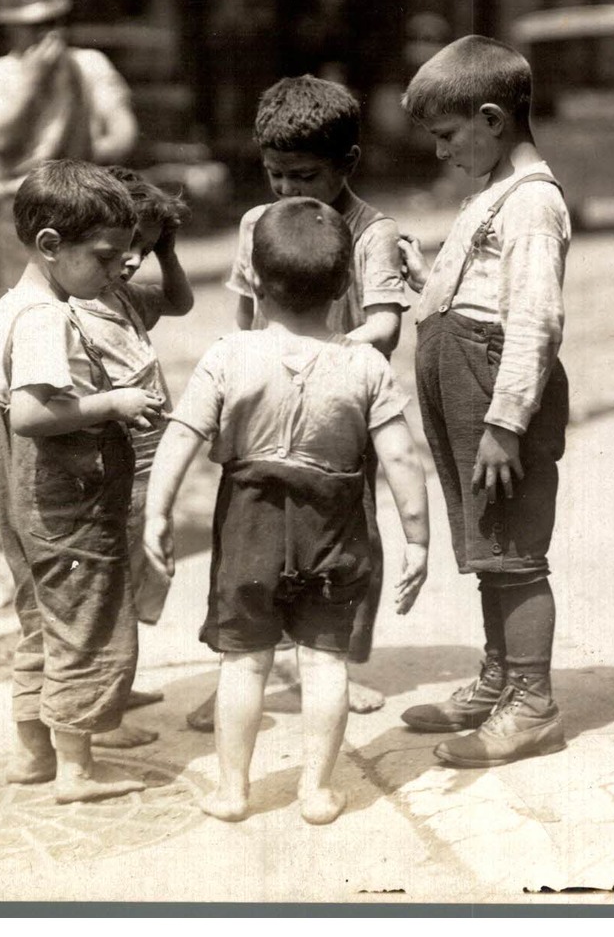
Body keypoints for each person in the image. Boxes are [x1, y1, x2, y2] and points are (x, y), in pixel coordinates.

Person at [143, 197, 430, 825]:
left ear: (253, 281)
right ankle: (316, 791)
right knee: (325, 661)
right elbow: (403, 460)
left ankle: (233, 790)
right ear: (344, 287)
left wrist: (157, 514)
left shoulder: (228, 356)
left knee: (244, 662)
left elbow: (180, 437)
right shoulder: (364, 366)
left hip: (250, 524)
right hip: (334, 524)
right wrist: (419, 542)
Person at [182, 75, 412, 734]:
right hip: (266, 404)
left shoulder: (373, 232)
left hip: (339, 410)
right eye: (274, 175)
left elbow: (387, 324)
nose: (286, 190)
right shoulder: (259, 223)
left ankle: (330, 659)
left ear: (348, 163)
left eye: (303, 176)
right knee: (241, 542)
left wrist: (325, 349)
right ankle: (236, 663)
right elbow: (245, 314)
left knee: (345, 539)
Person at [396, 35, 571, 768]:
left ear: (492, 118)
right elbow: (475, 288)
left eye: (445, 135)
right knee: (488, 545)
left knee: (513, 550)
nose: (438, 153)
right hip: (464, 378)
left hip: (494, 392)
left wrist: (505, 422)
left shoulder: (532, 203)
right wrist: (424, 276)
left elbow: (533, 316)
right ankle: (499, 678)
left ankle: (530, 702)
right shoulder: (495, 193)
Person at [0, 159, 164, 804]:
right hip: (67, 489)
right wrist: (113, 405)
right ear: (52, 246)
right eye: (106, 256)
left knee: (42, 618)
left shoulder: (16, 303)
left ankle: (32, 753)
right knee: (87, 620)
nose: (119, 269)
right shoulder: (45, 318)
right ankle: (78, 770)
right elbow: (33, 414)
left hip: (25, 493)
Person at [68, 166, 193, 732]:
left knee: (136, 574)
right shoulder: (80, 306)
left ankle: (114, 686)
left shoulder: (118, 293)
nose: (133, 260)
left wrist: (166, 248)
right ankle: (102, 711)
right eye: (125, 248)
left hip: (145, 465)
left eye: (141, 248)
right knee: (109, 583)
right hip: (111, 465)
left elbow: (180, 301)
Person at [0, 0, 139, 286]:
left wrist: (79, 172)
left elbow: (124, 132)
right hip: (22, 212)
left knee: (95, 310)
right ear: (11, 27)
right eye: (34, 24)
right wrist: (30, 85)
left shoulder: (89, 64)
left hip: (86, 207)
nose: (47, 32)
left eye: (53, 21)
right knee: (29, 309)